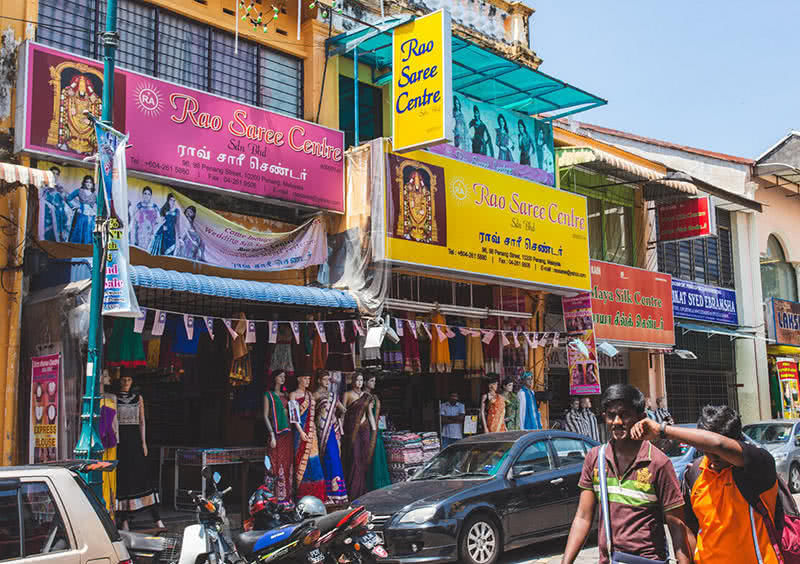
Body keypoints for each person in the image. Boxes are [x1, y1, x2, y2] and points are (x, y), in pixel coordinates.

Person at [632, 405, 781, 564]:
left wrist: (663, 430)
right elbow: (689, 526)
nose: (713, 456)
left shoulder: (758, 465)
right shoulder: (694, 473)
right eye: (705, 448)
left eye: (715, 450)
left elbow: (718, 444)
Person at [561, 384, 690, 564]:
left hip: (648, 560)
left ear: (641, 418)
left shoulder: (658, 463)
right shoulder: (595, 458)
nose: (617, 422)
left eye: (625, 415)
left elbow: (677, 526)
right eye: (612, 415)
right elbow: (583, 517)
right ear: (605, 417)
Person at [116, 373, 165, 531]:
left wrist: (144, 443)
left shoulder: (138, 399)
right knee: (124, 479)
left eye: (129, 379)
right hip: (121, 443)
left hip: (135, 441)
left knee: (142, 476)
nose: (126, 382)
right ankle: (124, 520)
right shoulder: (113, 399)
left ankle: (156, 518)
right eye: (123, 379)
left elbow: (142, 422)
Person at [314, 370, 348, 506]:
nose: (327, 382)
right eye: (325, 380)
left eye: (329, 380)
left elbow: (344, 410)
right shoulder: (315, 395)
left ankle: (338, 494)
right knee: (326, 458)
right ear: (319, 380)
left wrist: (339, 421)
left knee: (335, 458)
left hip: (332, 429)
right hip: (321, 429)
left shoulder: (333, 395)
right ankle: (328, 493)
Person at [289, 373, 326, 500]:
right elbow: (294, 417)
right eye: (305, 378)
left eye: (309, 378)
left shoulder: (310, 395)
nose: (308, 381)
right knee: (301, 462)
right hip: (300, 434)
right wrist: (301, 432)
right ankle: (303, 495)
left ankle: (317, 494)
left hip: (311, 433)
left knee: (315, 462)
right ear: (299, 379)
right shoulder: (293, 395)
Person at [342, 373, 375, 501]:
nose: (360, 383)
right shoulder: (347, 394)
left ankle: (363, 490)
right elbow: (343, 414)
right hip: (351, 429)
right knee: (354, 458)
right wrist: (341, 430)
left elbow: (370, 414)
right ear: (353, 381)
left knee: (364, 457)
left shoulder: (367, 397)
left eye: (362, 380)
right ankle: (354, 491)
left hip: (364, 429)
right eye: (358, 380)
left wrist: (374, 430)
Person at [263, 370, 293, 505]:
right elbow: (265, 416)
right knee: (274, 463)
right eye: (280, 376)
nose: (283, 379)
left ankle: (286, 497)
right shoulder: (268, 395)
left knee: (286, 464)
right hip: (276, 434)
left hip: (287, 433)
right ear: (274, 378)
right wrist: (271, 435)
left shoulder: (286, 395)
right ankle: (273, 497)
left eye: (284, 377)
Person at [66, 175, 97, 244]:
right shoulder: (79, 191)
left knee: (89, 233)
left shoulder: (94, 195)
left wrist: (96, 212)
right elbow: (68, 199)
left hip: (91, 217)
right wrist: (74, 207)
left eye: (90, 182)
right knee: (79, 232)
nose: (88, 184)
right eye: (87, 182)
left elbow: (100, 205)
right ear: (84, 183)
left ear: (92, 184)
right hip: (81, 215)